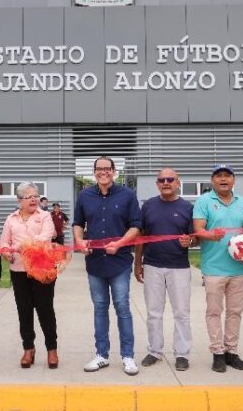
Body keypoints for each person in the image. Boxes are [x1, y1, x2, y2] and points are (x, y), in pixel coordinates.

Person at [73, 156, 142, 376]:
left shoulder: (127, 195)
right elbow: (77, 224)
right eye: (99, 169)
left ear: (114, 171)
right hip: (94, 262)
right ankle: (101, 355)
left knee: (122, 307)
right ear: (94, 172)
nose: (103, 172)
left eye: (107, 168)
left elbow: (136, 226)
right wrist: (79, 241)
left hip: (119, 261)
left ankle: (128, 356)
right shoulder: (85, 196)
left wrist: (120, 243)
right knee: (100, 308)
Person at [0, 182, 70, 369]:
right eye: (28, 197)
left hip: (42, 271)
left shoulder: (45, 216)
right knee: (24, 310)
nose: (33, 199)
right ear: (19, 200)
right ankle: (28, 349)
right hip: (19, 271)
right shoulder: (11, 219)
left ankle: (52, 349)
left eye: (36, 196)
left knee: (45, 309)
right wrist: (6, 251)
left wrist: (22, 245)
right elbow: (3, 242)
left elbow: (44, 238)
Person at [134, 168, 195, 371]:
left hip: (179, 267)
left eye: (170, 179)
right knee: (153, 313)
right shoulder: (148, 206)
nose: (166, 182)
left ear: (178, 182)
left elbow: (194, 237)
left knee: (182, 313)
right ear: (157, 183)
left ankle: (182, 354)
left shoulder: (187, 207)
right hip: (152, 265)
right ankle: (154, 351)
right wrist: (137, 263)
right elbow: (141, 236)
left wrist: (190, 241)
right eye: (162, 180)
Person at [193, 164, 243, 373]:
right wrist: (210, 235)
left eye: (228, 176)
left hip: (239, 268)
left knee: (235, 312)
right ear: (212, 180)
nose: (223, 179)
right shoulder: (203, 201)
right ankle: (217, 352)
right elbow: (198, 229)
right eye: (219, 176)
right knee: (214, 312)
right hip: (213, 268)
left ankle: (231, 351)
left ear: (234, 180)